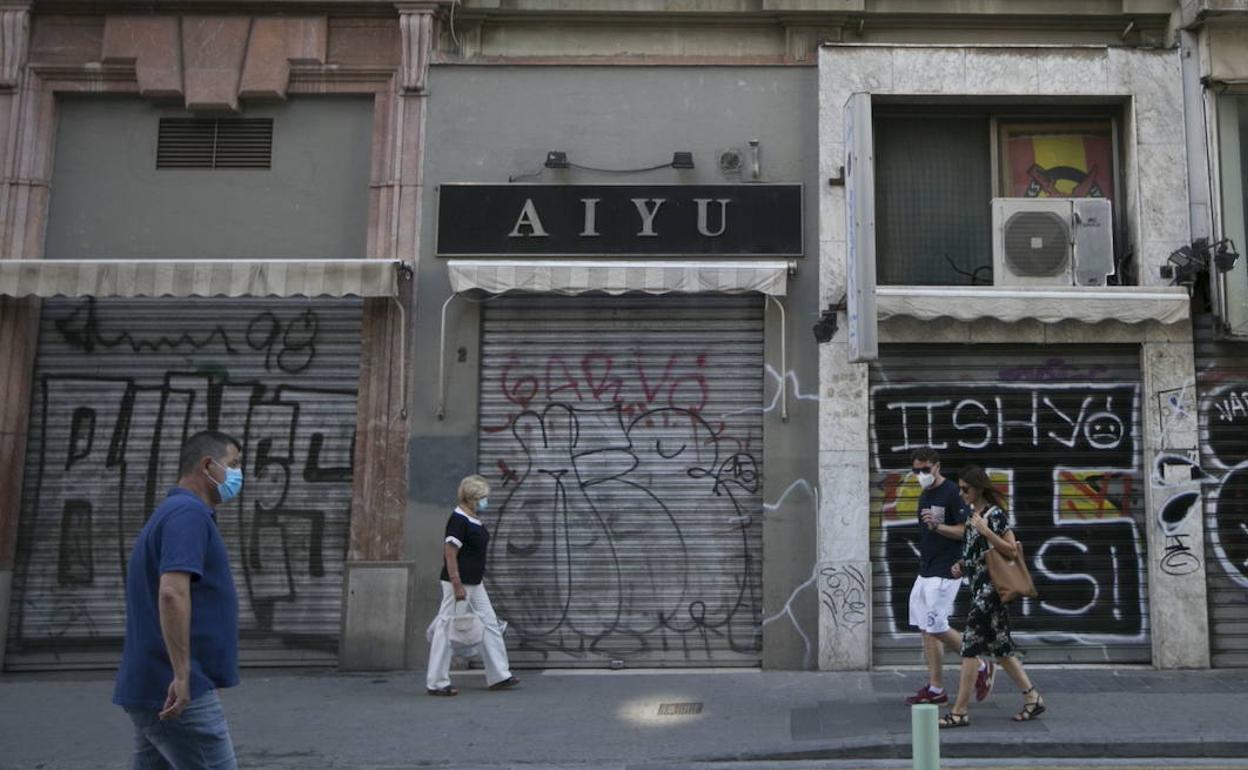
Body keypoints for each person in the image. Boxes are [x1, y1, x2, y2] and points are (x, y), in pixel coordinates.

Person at [112, 430, 243, 769]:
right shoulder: (188, 514)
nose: (238, 475)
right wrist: (183, 674)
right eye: (234, 464)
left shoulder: (175, 512)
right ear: (207, 465)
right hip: (178, 689)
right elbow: (172, 592)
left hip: (155, 684)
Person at [939, 465, 1046, 728]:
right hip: (978, 588)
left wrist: (986, 530)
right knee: (1001, 648)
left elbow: (1011, 550)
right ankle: (1033, 698)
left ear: (978, 488)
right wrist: (962, 564)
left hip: (990, 592)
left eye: (965, 489)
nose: (961, 493)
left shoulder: (994, 515)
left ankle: (960, 711)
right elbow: (977, 551)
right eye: (959, 488)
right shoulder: (972, 514)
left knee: (970, 649)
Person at [904, 448, 994, 706]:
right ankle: (935, 689)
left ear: (937, 466)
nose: (921, 475)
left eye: (925, 469)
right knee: (925, 628)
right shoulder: (926, 493)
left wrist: (938, 526)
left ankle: (980, 665)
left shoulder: (953, 493)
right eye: (916, 470)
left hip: (946, 568)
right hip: (927, 568)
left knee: (936, 625)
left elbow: (967, 530)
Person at [426, 474, 519, 696]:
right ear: (472, 499)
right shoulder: (458, 520)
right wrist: (457, 583)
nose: (487, 501)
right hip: (458, 583)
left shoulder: (473, 518)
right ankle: (437, 682)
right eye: (484, 497)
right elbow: (449, 554)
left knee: (489, 623)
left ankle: (499, 675)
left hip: (475, 583)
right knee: (446, 629)